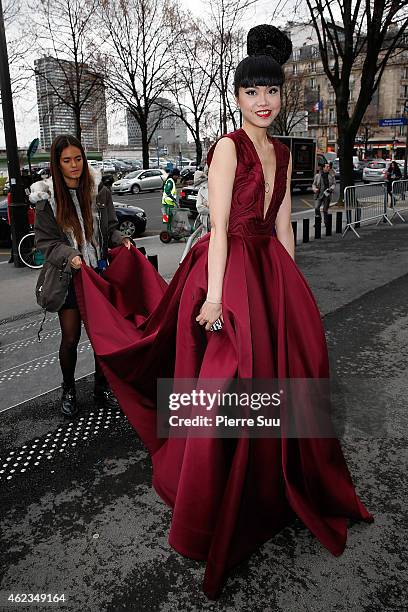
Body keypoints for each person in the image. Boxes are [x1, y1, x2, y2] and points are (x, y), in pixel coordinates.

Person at [74, 25, 372, 599]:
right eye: (253, 91)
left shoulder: (282, 152)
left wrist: (293, 288)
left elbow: (284, 225)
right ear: (237, 97)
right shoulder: (227, 148)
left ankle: (272, 489)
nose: (264, 101)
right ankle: (209, 500)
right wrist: (214, 297)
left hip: (270, 272)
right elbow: (217, 230)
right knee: (224, 384)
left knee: (284, 378)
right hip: (227, 271)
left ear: (281, 97)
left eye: (272, 91)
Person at [32, 134, 131, 418]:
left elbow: (110, 228)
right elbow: (46, 243)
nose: (74, 165)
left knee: (103, 337)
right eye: (67, 160)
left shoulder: (99, 191)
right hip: (69, 279)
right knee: (71, 338)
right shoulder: (46, 199)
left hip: (99, 274)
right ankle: (69, 389)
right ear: (57, 163)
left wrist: (121, 239)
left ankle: (102, 387)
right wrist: (70, 256)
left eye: (78, 158)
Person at [313, 162, 336, 226]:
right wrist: (314, 189)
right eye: (327, 167)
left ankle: (326, 222)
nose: (328, 168)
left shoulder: (331, 176)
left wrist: (330, 189)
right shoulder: (317, 176)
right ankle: (318, 221)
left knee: (325, 210)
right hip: (319, 195)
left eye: (329, 167)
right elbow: (314, 184)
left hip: (327, 195)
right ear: (323, 168)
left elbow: (334, 184)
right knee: (316, 208)